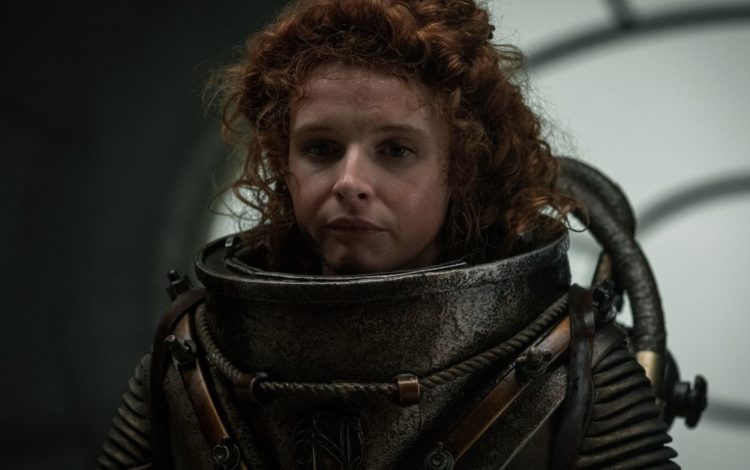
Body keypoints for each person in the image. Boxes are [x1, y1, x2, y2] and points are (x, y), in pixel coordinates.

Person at [98, 0, 683, 468]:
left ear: (461, 169)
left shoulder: (573, 363)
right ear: (283, 162)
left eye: (396, 150)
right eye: (321, 148)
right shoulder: (194, 354)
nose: (350, 181)